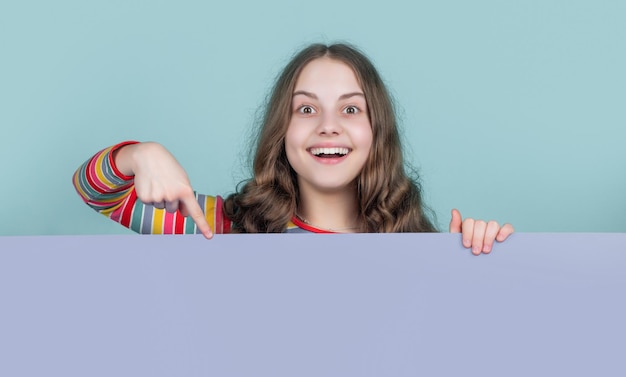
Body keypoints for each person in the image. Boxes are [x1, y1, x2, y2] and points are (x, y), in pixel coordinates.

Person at [73, 43, 514, 255]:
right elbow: (96, 190)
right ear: (281, 130)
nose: (327, 127)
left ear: (377, 131)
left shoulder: (420, 250)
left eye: (350, 110)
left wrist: (475, 256)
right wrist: (141, 154)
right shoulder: (222, 228)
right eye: (306, 109)